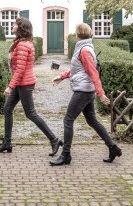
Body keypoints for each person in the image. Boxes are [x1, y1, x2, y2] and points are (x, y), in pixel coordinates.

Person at [50, 22, 122, 166]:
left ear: (77, 35)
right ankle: (113, 147)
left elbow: (93, 73)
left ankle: (66, 155)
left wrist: (101, 94)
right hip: (86, 89)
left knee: (68, 120)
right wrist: (62, 76)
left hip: (83, 90)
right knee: (92, 121)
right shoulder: (83, 48)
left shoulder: (84, 50)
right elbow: (78, 69)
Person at [0, 17, 63, 156]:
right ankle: (7, 143)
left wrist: (10, 86)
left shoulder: (23, 45)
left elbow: (20, 69)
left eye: (15, 24)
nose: (12, 25)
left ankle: (54, 140)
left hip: (24, 83)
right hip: (21, 83)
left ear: (21, 28)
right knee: (7, 109)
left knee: (30, 113)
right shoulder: (20, 43)